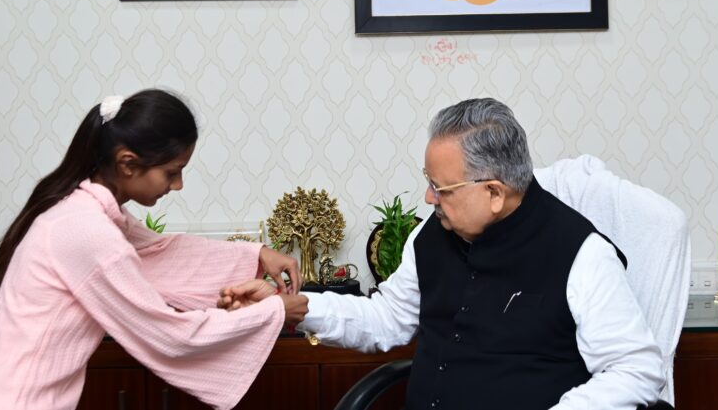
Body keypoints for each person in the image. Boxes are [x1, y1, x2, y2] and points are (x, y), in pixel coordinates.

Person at [223, 98, 665, 409]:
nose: (429, 198)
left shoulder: (581, 254)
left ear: (494, 192)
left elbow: (635, 368)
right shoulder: (431, 235)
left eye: (442, 188)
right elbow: (386, 318)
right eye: (429, 181)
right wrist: (293, 307)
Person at [0, 89, 307, 409]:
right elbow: (170, 337)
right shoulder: (89, 231)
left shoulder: (88, 215)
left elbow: (163, 254)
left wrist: (256, 255)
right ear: (127, 163)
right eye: (172, 172)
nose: (178, 185)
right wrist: (272, 312)